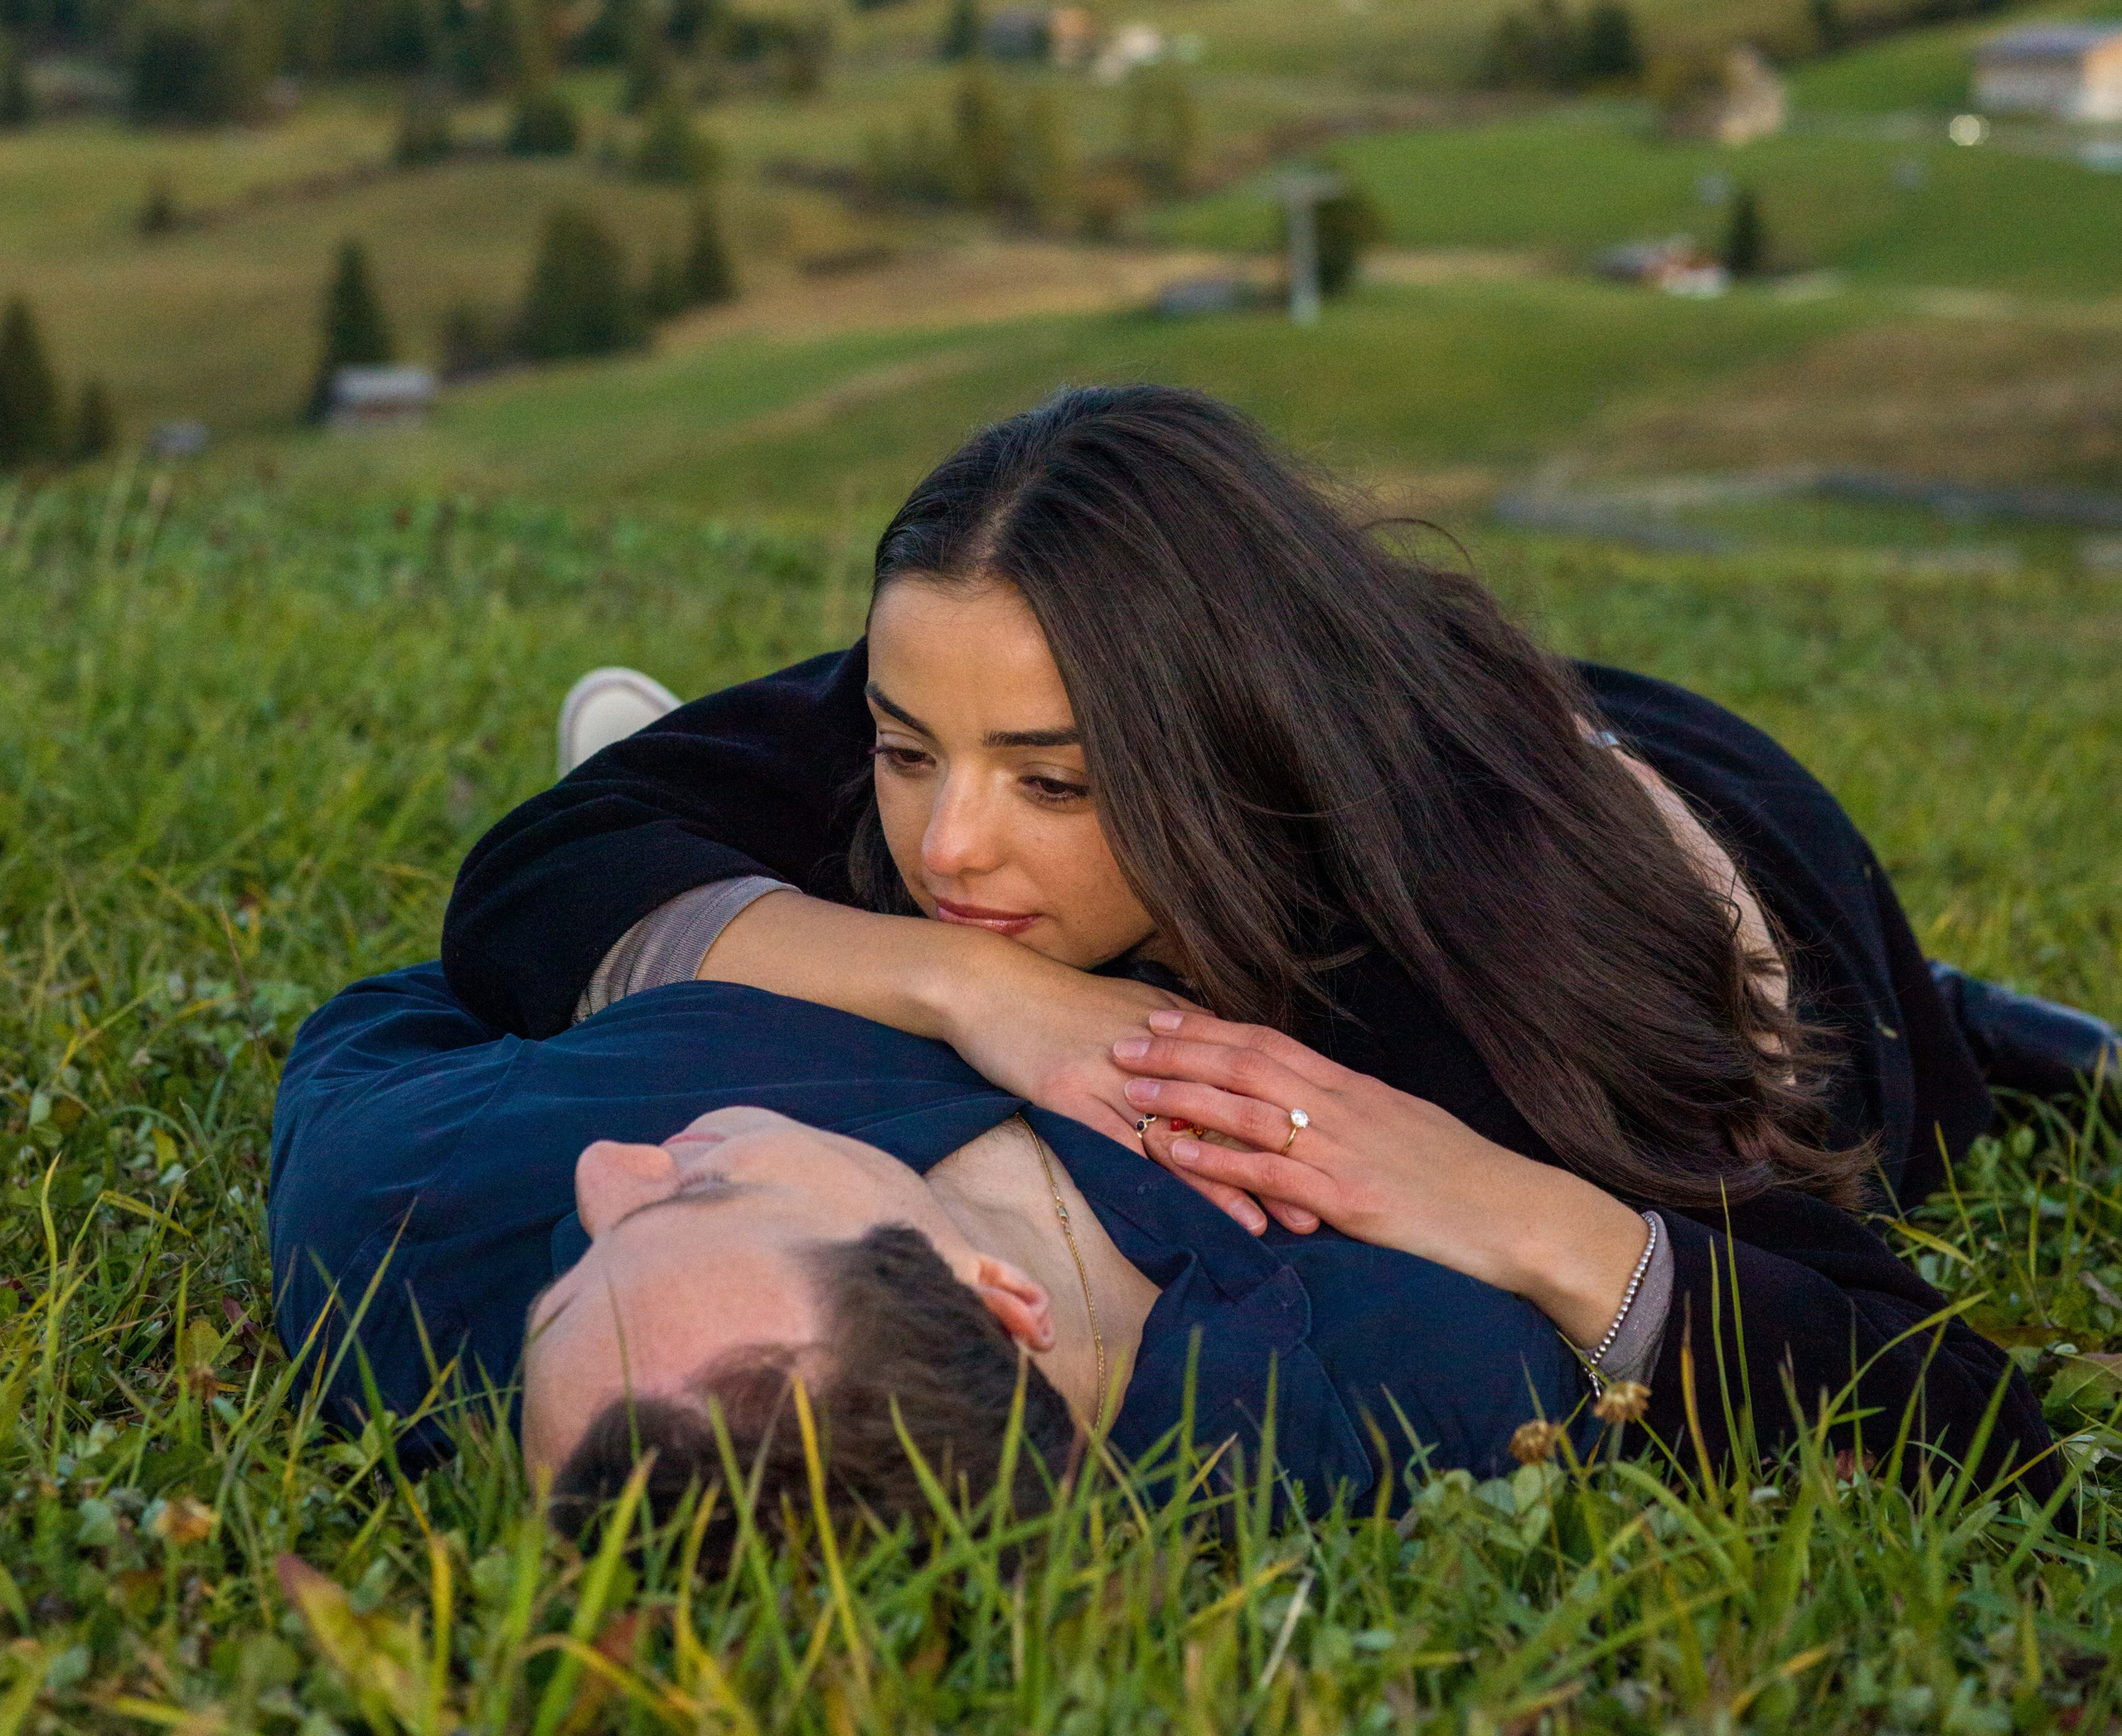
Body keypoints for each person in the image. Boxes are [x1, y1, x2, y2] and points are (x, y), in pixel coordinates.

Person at [443, 387, 2102, 1488]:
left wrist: (1509, 1208)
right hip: (1398, 703)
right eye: (901, 748)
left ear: (1224, 751)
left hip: (1740, 877)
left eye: (1052, 783)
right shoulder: (987, 687)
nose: (949, 844)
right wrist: (975, 982)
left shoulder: (1462, 973)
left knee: (1890, 1064)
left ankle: (1979, 1018)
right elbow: (532, 878)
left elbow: (1959, 1418)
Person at [266, 958, 1585, 1542]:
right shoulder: (1430, 1385)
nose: (607, 1167)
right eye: (700, 1193)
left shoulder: (412, 1235)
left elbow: (441, 988)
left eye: (562, 1288)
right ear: (999, 1299)